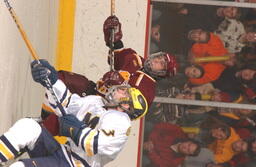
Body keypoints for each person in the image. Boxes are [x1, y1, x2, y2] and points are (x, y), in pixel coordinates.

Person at [0, 59, 148, 167]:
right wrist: (52, 80)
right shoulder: (97, 102)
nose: (119, 89)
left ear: (126, 106)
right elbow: (67, 104)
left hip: (76, 165)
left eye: (124, 92)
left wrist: (77, 130)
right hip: (62, 154)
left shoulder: (122, 122)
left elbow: (98, 144)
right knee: (29, 126)